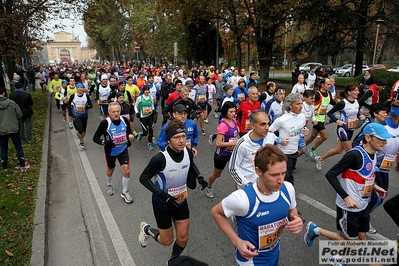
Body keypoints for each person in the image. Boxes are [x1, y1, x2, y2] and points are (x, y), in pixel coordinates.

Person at [212, 144, 304, 266]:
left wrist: (297, 220)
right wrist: (237, 242)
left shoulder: (288, 189)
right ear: (258, 171)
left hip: (274, 253)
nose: (281, 180)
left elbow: (292, 211)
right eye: (274, 175)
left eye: (283, 173)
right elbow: (216, 212)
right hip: (251, 260)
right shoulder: (243, 199)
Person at [304, 123, 391, 248]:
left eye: (385, 139)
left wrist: (375, 187)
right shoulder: (355, 155)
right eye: (381, 139)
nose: (385, 142)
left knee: (362, 239)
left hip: (363, 204)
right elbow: (331, 174)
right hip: (349, 207)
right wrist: (346, 197)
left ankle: (340, 258)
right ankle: (315, 230)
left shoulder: (374, 153)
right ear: (368, 138)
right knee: (352, 242)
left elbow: (364, 176)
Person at [137, 120, 208, 265]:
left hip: (181, 202)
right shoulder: (160, 158)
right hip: (162, 205)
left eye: (184, 136)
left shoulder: (187, 152)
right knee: (167, 241)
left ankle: (173, 261)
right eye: (177, 138)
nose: (182, 140)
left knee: (183, 238)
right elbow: (143, 178)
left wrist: (199, 177)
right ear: (169, 140)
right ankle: (147, 229)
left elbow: (191, 165)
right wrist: (163, 195)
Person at [229, 110, 288, 189]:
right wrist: (246, 184)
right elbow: (233, 168)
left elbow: (276, 138)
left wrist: (281, 141)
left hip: (265, 185)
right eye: (263, 124)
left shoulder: (270, 136)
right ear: (253, 125)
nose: (267, 127)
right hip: (248, 188)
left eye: (268, 123)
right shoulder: (243, 144)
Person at [315, 83, 365, 170]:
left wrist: (360, 116)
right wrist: (337, 121)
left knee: (338, 150)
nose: (358, 92)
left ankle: (320, 158)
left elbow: (355, 112)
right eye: (355, 90)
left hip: (351, 129)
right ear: (349, 92)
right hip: (343, 129)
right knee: (350, 152)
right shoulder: (343, 103)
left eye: (358, 90)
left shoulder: (356, 102)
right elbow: (330, 113)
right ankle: (344, 171)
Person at [92, 102, 134, 203]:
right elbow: (95, 138)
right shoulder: (105, 123)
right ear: (109, 112)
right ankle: (109, 185)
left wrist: (130, 136)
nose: (116, 113)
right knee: (111, 170)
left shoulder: (124, 120)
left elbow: (129, 131)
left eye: (117, 111)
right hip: (111, 151)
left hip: (123, 149)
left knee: (126, 171)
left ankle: (125, 191)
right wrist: (104, 142)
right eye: (113, 112)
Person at [269, 93, 308, 185]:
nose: (301, 106)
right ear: (290, 105)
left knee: (282, 178)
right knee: (289, 180)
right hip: (284, 154)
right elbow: (268, 132)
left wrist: (304, 131)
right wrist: (279, 140)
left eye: (301, 103)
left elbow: (299, 132)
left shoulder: (302, 117)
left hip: (294, 152)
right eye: (298, 104)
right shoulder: (282, 120)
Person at [205, 102, 238, 198]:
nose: (233, 114)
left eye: (234, 111)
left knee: (237, 173)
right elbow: (218, 143)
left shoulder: (234, 120)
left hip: (232, 153)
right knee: (217, 174)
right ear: (225, 111)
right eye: (231, 112)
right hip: (222, 155)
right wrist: (233, 143)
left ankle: (238, 196)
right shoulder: (223, 125)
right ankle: (208, 187)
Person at [0, 87, 30, 172]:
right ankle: (22, 165)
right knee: (18, 147)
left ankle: (4, 167)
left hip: (2, 130)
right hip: (13, 128)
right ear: (4, 93)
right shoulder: (11, 103)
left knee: (3, 149)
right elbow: (19, 114)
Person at [304, 78, 335, 158]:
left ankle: (302, 147)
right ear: (322, 84)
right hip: (316, 119)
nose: (330, 86)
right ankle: (313, 149)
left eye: (330, 84)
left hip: (322, 118)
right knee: (325, 136)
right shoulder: (317, 94)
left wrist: (340, 103)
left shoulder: (329, 93)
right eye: (328, 84)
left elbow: (332, 102)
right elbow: (311, 104)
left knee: (313, 136)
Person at [68, 83, 93, 149]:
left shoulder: (86, 96)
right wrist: (70, 111)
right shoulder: (73, 96)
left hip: (84, 115)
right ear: (76, 88)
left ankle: (81, 138)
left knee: (84, 131)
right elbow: (68, 103)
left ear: (83, 88)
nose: (80, 89)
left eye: (81, 87)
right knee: (80, 130)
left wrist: (87, 107)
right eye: (78, 87)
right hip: (76, 115)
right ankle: (81, 141)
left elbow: (91, 105)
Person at [135, 85, 155, 151]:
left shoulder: (150, 97)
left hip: (150, 116)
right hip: (143, 117)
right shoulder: (140, 98)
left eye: (148, 90)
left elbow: (152, 105)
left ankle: (149, 144)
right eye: (146, 90)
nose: (147, 91)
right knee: (146, 132)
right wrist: (137, 112)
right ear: (143, 91)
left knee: (151, 130)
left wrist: (153, 109)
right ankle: (141, 134)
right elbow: (135, 106)